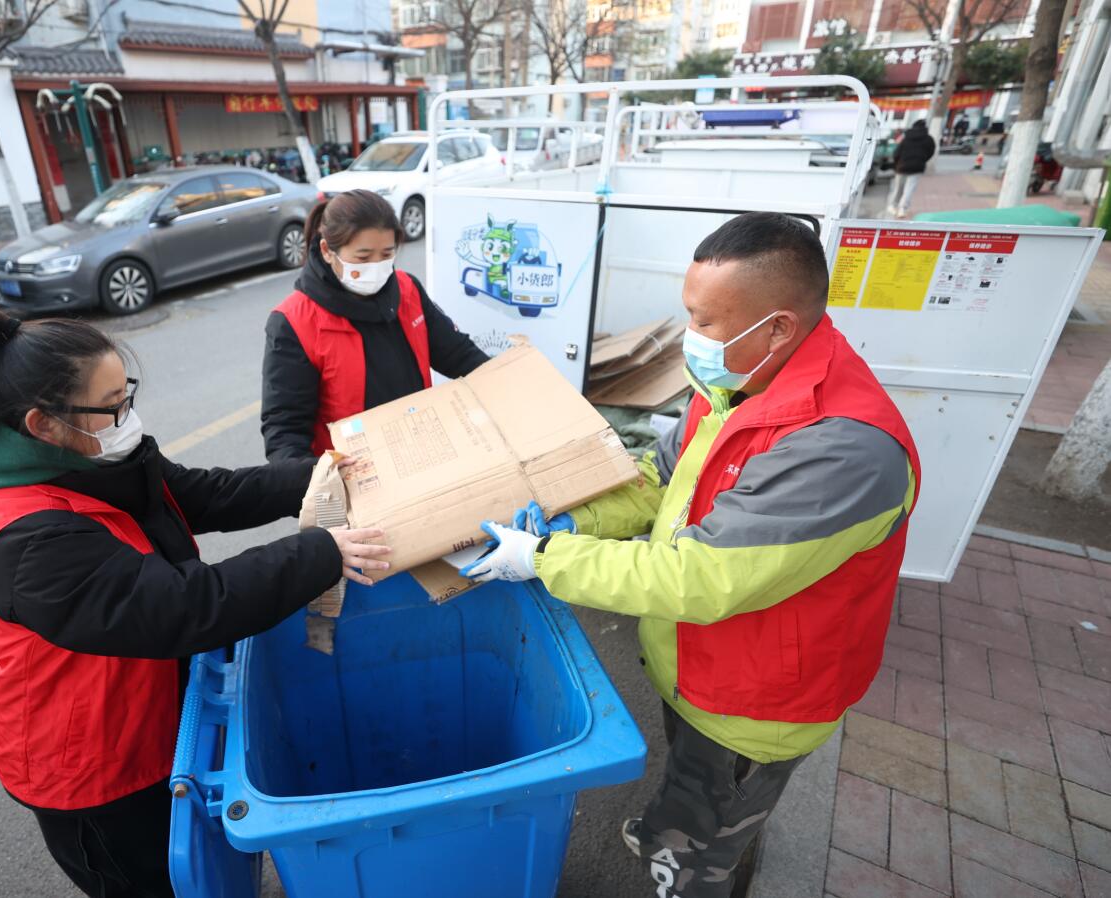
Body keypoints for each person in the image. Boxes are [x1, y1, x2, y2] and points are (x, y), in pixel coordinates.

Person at [461, 213, 920, 898]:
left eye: (705, 323)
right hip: (704, 666)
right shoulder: (741, 383)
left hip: (758, 700)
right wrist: (569, 516)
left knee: (712, 835)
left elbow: (698, 576)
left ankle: (690, 868)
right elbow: (660, 480)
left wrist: (547, 556)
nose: (690, 339)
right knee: (692, 780)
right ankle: (670, 830)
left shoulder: (843, 447)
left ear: (778, 327)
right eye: (689, 315)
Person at [0, 310, 389, 898]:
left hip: (155, 720)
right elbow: (184, 608)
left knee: (205, 875)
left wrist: (318, 477)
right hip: (94, 774)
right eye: (111, 406)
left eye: (126, 395)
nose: (128, 418)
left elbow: (209, 493)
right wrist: (320, 553)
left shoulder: (99, 461)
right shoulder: (29, 542)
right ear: (44, 425)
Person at [261, 189, 489, 461]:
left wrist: (510, 380)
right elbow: (285, 431)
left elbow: (459, 355)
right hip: (355, 478)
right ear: (327, 251)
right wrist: (320, 479)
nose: (377, 266)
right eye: (363, 257)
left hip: (423, 455)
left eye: (386, 255)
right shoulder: (293, 323)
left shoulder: (407, 290)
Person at [887, 120, 937, 218]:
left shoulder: (906, 138)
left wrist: (896, 164)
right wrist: (922, 160)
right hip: (917, 167)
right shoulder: (929, 139)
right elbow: (931, 152)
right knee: (909, 189)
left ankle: (893, 206)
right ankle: (903, 209)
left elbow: (896, 153)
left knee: (898, 188)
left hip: (902, 167)